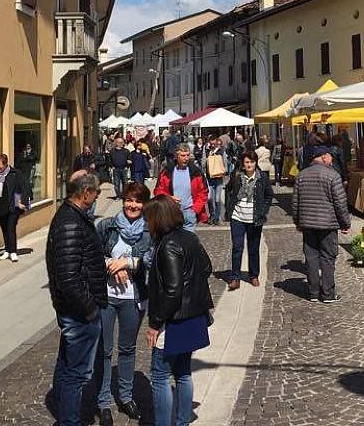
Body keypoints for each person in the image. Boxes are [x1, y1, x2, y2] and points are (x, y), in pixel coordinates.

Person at [144, 195, 214, 426]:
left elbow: (172, 290)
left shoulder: (168, 245)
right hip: (193, 316)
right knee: (183, 372)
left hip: (174, 321)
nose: (147, 224)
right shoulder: (190, 238)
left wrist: (154, 324)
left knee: (161, 376)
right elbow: (206, 267)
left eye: (149, 219)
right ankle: (182, 421)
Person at [45, 171, 107, 426]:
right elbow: (68, 277)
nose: (96, 198)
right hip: (78, 312)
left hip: (75, 308)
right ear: (85, 193)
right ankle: (68, 420)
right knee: (77, 374)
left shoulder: (72, 217)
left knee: (68, 364)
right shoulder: (71, 222)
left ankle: (64, 413)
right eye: (96, 193)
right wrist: (90, 309)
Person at [94, 182, 153, 424]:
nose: (133, 205)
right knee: (105, 351)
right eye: (129, 200)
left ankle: (126, 396)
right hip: (106, 297)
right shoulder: (107, 226)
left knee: (128, 349)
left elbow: (153, 257)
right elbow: (91, 254)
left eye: (138, 201)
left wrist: (128, 264)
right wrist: (111, 264)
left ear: (145, 204)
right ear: (123, 201)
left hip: (134, 297)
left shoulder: (150, 230)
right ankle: (104, 401)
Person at [292, 145, 350, 303]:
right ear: (324, 157)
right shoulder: (333, 176)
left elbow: (295, 202)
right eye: (331, 156)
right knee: (327, 257)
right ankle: (328, 293)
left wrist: (297, 221)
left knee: (311, 258)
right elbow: (340, 203)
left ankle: (313, 293)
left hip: (308, 224)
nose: (332, 159)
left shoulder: (301, 175)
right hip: (328, 224)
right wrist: (345, 223)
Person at [225, 150, 274, 290]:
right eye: (247, 162)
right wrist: (230, 208)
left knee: (253, 248)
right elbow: (228, 190)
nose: (249, 165)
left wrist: (263, 211)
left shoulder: (262, 177)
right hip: (237, 217)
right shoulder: (236, 176)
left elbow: (269, 195)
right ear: (243, 163)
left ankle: (253, 275)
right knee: (237, 247)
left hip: (254, 218)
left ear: (256, 163)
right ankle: (235, 277)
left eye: (252, 162)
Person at [0, 153, 31, 263]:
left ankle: (13, 251)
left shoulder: (15, 174)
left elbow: (25, 187)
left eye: (0, 165)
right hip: (1, 207)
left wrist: (24, 202)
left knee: (11, 227)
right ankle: (7, 250)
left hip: (14, 206)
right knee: (4, 228)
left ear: (5, 164)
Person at [155, 143, 208, 231]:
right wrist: (168, 198)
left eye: (188, 155)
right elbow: (158, 191)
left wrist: (195, 209)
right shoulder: (167, 172)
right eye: (183, 156)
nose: (186, 158)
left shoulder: (196, 172)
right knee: (172, 242)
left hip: (189, 212)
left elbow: (204, 192)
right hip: (171, 211)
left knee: (188, 242)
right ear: (176, 156)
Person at [201, 136, 228, 226]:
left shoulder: (221, 150)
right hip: (209, 177)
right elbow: (203, 162)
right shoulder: (207, 149)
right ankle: (212, 215)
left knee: (217, 199)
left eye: (214, 144)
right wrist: (208, 159)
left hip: (219, 178)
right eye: (211, 144)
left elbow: (225, 162)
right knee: (209, 198)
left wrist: (224, 171)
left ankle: (217, 217)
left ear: (217, 142)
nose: (212, 145)